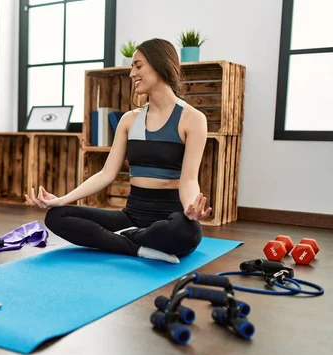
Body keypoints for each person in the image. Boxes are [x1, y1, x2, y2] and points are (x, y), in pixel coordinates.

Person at [25, 38, 211, 264]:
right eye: (132, 66)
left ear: (160, 64)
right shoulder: (129, 120)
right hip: (131, 216)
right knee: (57, 216)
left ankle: (127, 238)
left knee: (188, 233)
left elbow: (189, 179)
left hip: (169, 218)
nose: (132, 73)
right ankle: (137, 249)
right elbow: (106, 173)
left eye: (138, 65)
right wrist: (62, 199)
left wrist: (191, 209)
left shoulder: (193, 119)